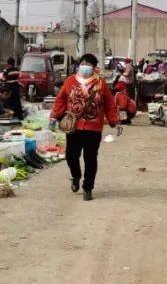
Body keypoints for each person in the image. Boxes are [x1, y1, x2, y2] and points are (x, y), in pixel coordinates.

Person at [50, 53, 121, 201]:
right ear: (79, 65)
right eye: (84, 63)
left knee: (90, 158)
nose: (86, 66)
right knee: (71, 156)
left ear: (94, 68)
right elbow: (60, 100)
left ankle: (88, 188)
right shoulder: (70, 81)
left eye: (89, 64)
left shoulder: (100, 83)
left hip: (93, 128)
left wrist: (115, 121)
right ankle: (76, 176)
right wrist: (54, 116)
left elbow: (109, 104)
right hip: (74, 127)